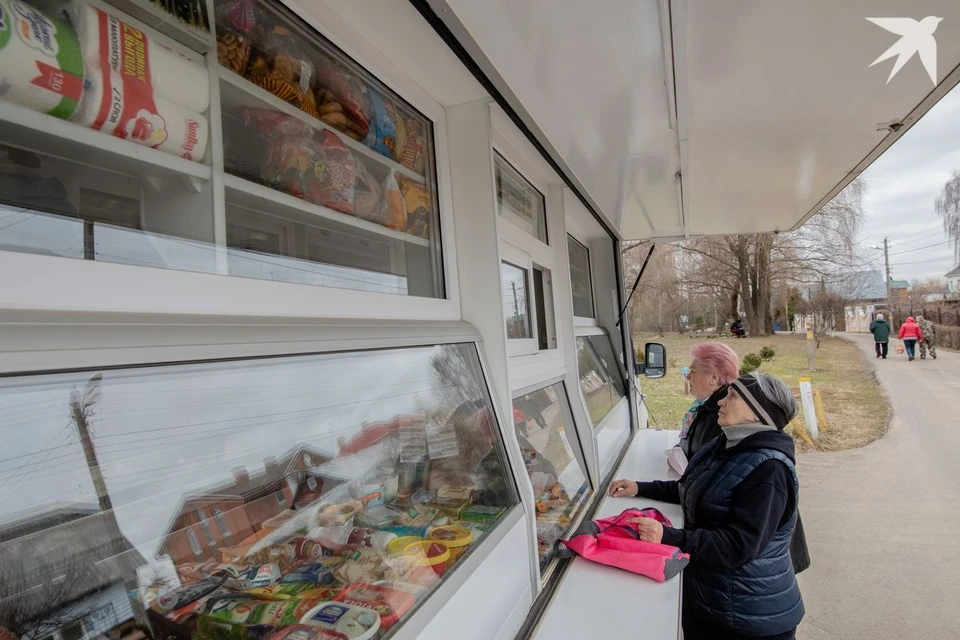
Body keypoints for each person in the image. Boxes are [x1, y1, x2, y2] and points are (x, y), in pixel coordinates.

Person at [609, 373, 805, 640]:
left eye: (733, 397)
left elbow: (739, 545)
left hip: (747, 615)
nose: (721, 402)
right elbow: (693, 489)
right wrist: (640, 487)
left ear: (757, 414)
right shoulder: (725, 444)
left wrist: (667, 536)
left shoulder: (770, 470)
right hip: (713, 600)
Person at [677, 342, 740, 460]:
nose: (688, 376)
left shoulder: (723, 414)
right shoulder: (705, 404)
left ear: (714, 378)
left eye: (693, 371)